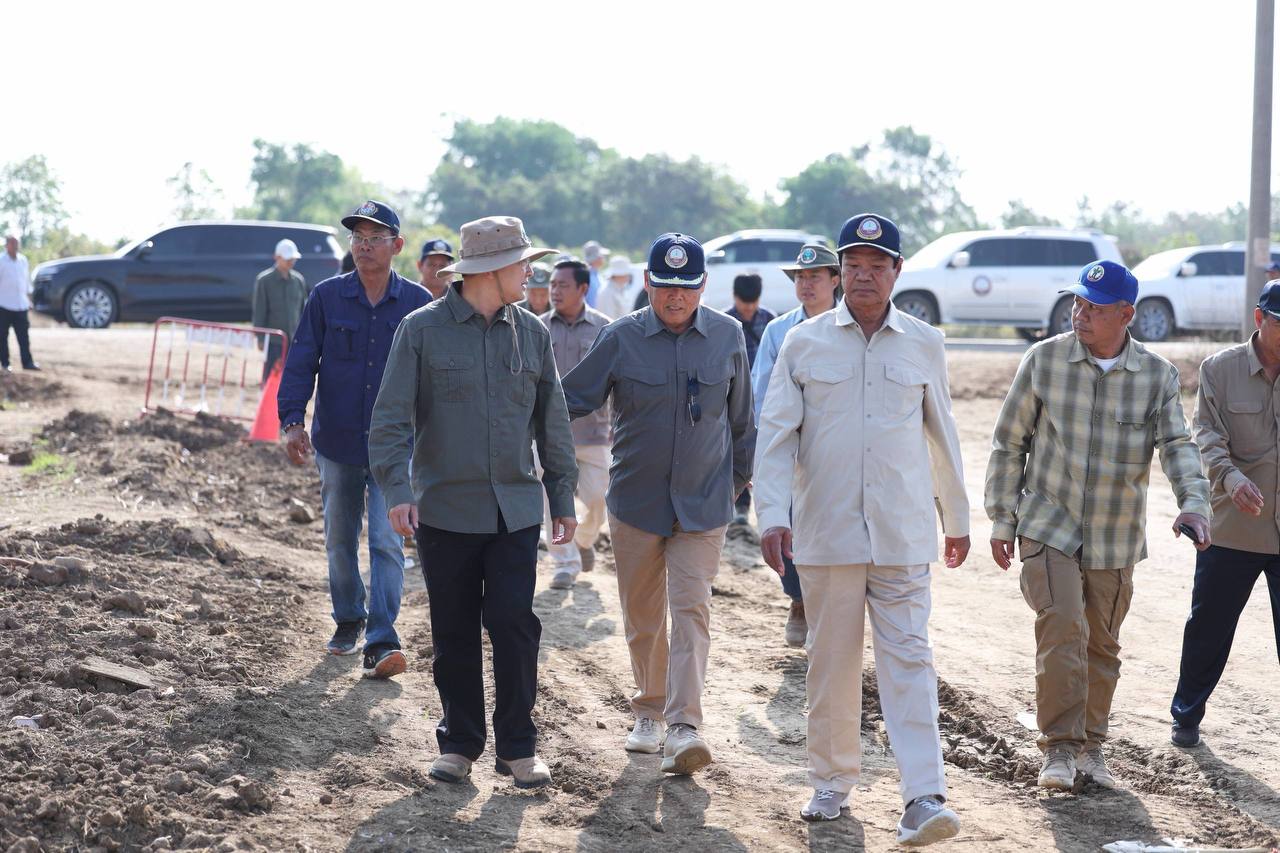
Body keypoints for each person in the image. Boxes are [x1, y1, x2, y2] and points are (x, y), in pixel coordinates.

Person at [754, 214, 967, 843]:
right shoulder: (804, 342)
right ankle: (831, 783)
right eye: (854, 265)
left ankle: (924, 796)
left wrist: (956, 519)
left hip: (902, 534)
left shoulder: (925, 343)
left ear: (897, 271)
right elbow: (776, 437)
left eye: (877, 266)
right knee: (831, 663)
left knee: (911, 662)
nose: (864, 276)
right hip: (827, 534)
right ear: (840, 271)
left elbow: (943, 436)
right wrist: (772, 516)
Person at [985, 259, 1212, 791]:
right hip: (1049, 522)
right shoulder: (1043, 360)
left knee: (1102, 646)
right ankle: (1059, 749)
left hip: (1115, 534)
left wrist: (1194, 502)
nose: (1080, 314)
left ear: (1127, 315)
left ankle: (1091, 748)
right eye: (1078, 303)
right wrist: (1001, 519)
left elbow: (1177, 446)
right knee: (1062, 629)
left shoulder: (1156, 375)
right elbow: (1009, 441)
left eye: (1095, 307)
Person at [369, 215, 578, 790]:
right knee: (454, 632)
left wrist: (561, 495)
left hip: (515, 510)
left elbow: (552, 421)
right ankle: (460, 744)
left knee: (514, 624)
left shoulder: (531, 333)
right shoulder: (421, 330)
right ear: (491, 270)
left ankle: (518, 748)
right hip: (444, 512)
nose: (531, 273)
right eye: (523, 264)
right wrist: (398, 491)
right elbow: (390, 420)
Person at [561, 233, 755, 776]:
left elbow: (743, 422)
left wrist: (733, 486)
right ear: (648, 283)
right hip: (636, 504)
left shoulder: (727, 335)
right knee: (644, 616)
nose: (676, 296)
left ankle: (685, 725)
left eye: (686, 287)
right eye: (666, 285)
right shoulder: (620, 337)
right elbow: (569, 399)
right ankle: (649, 711)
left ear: (703, 286)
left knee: (691, 611)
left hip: (704, 506)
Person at [277, 201, 430, 678]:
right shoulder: (327, 297)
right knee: (340, 539)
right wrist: (292, 420)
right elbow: (302, 359)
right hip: (337, 441)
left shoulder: (418, 303)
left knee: (387, 542)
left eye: (375, 239)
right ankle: (348, 619)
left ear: (396, 246)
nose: (364, 247)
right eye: (358, 238)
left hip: (395, 448)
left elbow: (433, 377)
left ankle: (382, 639)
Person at [1169, 282, 1280, 748]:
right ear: (1260, 319)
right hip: (1235, 527)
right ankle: (1186, 715)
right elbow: (1207, 437)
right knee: (1209, 629)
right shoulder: (1219, 369)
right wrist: (1232, 480)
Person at [751, 243, 840, 648]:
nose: (806, 284)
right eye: (800, 277)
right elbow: (761, 393)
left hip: (835, 449)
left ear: (835, 280)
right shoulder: (778, 330)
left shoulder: (850, 327)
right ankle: (799, 600)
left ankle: (827, 612)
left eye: (814, 276)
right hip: (792, 448)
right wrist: (762, 450)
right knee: (785, 527)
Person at [540, 259, 612, 589]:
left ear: (583, 288)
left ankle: (583, 539)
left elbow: (617, 382)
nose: (555, 291)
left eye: (563, 285)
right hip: (548, 435)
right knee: (552, 501)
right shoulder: (537, 327)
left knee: (599, 499)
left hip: (594, 433)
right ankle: (565, 563)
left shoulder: (605, 329)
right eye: (553, 285)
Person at [724, 273, 776, 525]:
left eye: (753, 302)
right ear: (735, 297)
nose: (749, 307)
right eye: (744, 302)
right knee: (738, 451)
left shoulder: (769, 320)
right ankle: (741, 507)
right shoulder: (724, 323)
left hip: (764, 398)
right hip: (734, 398)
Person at [252, 239, 308, 379]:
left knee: (291, 377)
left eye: (293, 259)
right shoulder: (264, 281)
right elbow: (260, 310)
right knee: (271, 377)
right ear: (277, 257)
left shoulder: (298, 281)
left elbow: (303, 311)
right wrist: (260, 337)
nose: (291, 262)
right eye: (287, 259)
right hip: (273, 341)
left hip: (294, 340)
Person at [0, 235, 38, 372]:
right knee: (2, 336)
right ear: (7, 245)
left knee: (24, 336)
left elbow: (26, 282)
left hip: (21, 304)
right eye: (13, 244)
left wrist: (29, 299)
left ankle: (27, 362)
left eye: (17, 244)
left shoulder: (23, 260)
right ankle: (5, 364)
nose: (16, 246)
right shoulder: (1, 261)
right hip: (4, 304)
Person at [597, 254, 637, 320]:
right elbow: (609, 319)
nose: (628, 276)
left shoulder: (619, 289)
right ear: (620, 275)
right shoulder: (608, 292)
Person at [583, 240, 610, 307]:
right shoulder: (588, 277)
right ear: (597, 257)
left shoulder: (597, 275)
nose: (603, 258)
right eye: (602, 256)